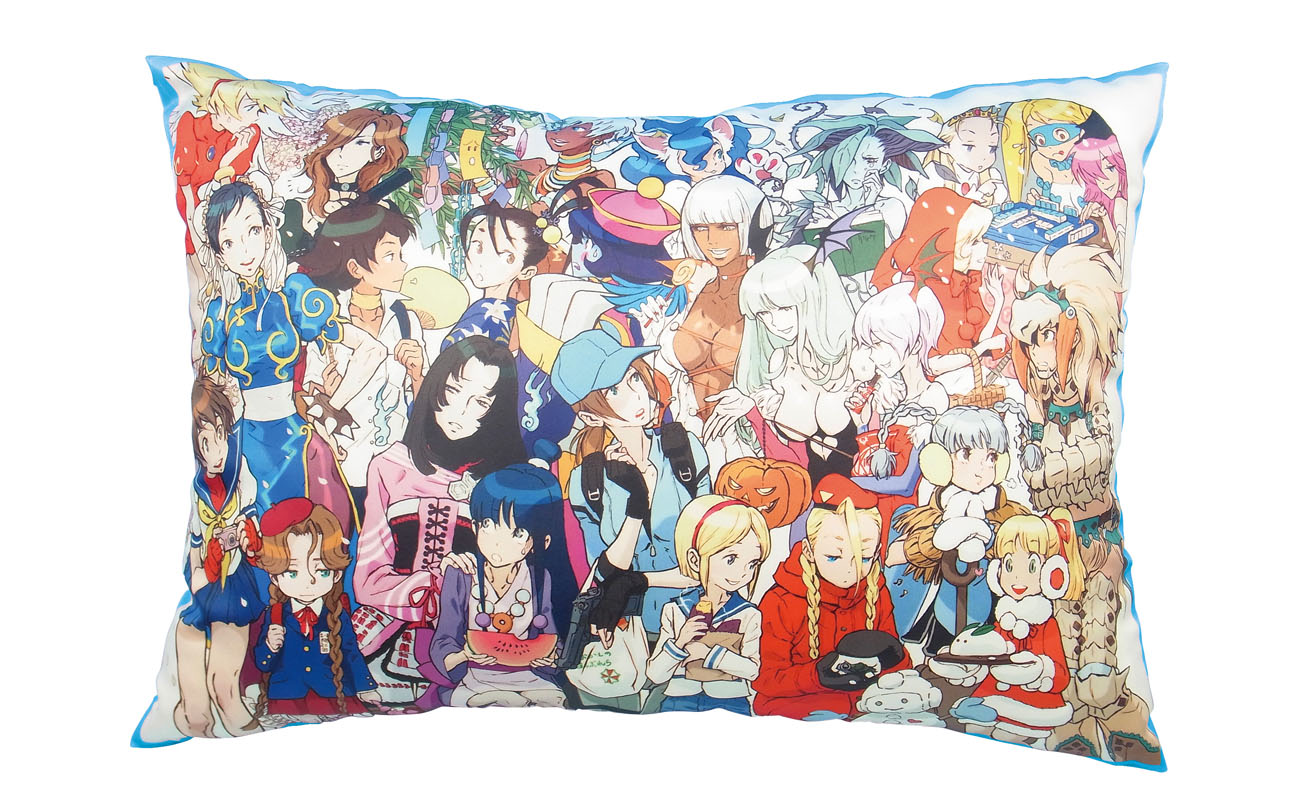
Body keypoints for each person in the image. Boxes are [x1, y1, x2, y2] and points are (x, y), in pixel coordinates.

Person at [753, 475, 905, 720]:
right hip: (796, 712)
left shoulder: (876, 591)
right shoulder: (780, 601)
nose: (850, 570)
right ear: (809, 550)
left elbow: (898, 667)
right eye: (833, 557)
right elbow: (765, 679)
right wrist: (818, 675)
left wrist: (891, 658)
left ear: (877, 552)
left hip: (866, 710)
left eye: (864, 558)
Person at [430, 464, 578, 707]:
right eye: (488, 524)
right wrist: (463, 655)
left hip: (531, 678)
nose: (499, 541)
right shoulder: (461, 574)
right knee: (498, 702)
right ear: (475, 526)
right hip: (474, 678)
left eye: (518, 532)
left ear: (542, 541)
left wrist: (553, 658)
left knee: (553, 701)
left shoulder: (540, 578)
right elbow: (444, 639)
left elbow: (549, 635)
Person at [645, 495, 771, 715]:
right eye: (731, 559)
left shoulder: (748, 614)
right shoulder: (676, 610)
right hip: (679, 700)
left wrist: (709, 654)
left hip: (731, 701)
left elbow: (753, 670)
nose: (743, 573)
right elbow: (655, 674)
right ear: (695, 560)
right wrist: (680, 641)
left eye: (752, 563)